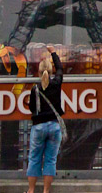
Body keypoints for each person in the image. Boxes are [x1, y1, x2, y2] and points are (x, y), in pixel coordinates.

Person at [27, 45, 63, 193]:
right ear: (52, 71)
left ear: (39, 71)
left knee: (34, 158)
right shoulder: (56, 84)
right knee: (50, 160)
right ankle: (46, 191)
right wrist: (53, 52)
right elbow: (60, 69)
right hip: (54, 126)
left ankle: (31, 190)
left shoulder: (35, 89)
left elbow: (31, 107)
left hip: (39, 126)